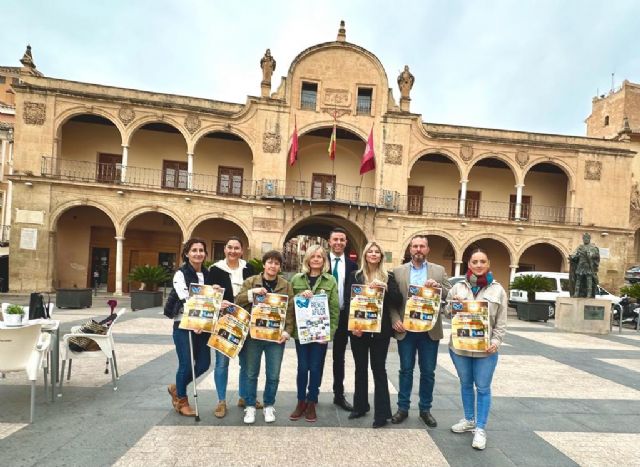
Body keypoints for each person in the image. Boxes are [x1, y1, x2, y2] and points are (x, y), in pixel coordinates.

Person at [446, 248, 507, 450]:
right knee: (465, 384)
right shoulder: (458, 288)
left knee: (482, 388)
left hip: (485, 350)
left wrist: (496, 342)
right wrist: (453, 305)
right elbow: (447, 313)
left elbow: (501, 322)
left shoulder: (498, 290)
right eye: (475, 261)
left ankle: (480, 428)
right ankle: (469, 419)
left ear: (488, 264)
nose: (478, 265)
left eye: (482, 261)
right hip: (460, 348)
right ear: (469, 264)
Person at [389, 234, 451, 427]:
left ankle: (425, 409)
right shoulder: (398, 271)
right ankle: (403, 408)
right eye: (415, 246)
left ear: (427, 249)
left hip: (429, 331)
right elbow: (391, 300)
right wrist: (395, 319)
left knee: (428, 372)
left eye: (422, 246)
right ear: (410, 249)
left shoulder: (439, 271)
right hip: (406, 330)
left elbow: (451, 294)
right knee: (405, 370)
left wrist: (438, 287)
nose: (418, 249)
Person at [345, 241, 402, 428]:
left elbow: (398, 300)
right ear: (365, 255)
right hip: (359, 331)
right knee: (360, 368)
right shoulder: (355, 275)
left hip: (380, 332)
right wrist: (352, 326)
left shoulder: (388, 276)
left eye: (377, 252)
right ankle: (360, 406)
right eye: (371, 251)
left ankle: (382, 413)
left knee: (379, 369)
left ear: (381, 256)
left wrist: (385, 288)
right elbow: (348, 301)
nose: (374, 254)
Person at [235, 250, 295, 424]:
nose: (273, 266)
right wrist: (251, 293)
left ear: (279, 267)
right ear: (264, 264)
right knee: (251, 373)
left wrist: (287, 331)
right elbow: (237, 300)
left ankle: (269, 405)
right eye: (270, 262)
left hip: (275, 337)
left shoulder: (286, 285)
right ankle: (250, 406)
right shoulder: (251, 281)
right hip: (253, 336)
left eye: (276, 263)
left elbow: (290, 311)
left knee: (273, 374)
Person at [289, 244, 340, 422]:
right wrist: (299, 297)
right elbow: (289, 306)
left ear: (324, 261)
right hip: (301, 333)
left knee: (316, 368)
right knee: (303, 367)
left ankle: (312, 402)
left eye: (320, 256)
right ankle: (300, 401)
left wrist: (329, 334)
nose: (316, 259)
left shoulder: (330, 281)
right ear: (308, 260)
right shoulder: (296, 279)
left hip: (320, 333)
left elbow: (334, 310)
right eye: (313, 256)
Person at [208, 236, 255, 418]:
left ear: (242, 251)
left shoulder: (249, 268)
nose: (233, 251)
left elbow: (253, 292)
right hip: (223, 322)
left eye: (237, 248)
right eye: (230, 247)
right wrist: (216, 297)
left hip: (245, 321)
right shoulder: (215, 270)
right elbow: (209, 297)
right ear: (225, 249)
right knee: (221, 364)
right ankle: (221, 401)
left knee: (246, 363)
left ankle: (244, 397)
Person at [167, 238, 212, 417]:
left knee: (203, 364)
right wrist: (196, 322)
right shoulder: (180, 274)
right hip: (184, 324)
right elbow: (186, 299)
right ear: (186, 253)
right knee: (186, 364)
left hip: (203, 325)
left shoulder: (207, 274)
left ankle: (176, 388)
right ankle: (182, 400)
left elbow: (210, 300)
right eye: (194, 250)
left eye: (201, 250)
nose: (198, 253)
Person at [327, 227, 358, 412]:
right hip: (324, 316)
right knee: (317, 357)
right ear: (329, 242)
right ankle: (310, 396)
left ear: (346, 243)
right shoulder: (320, 261)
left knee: (340, 357)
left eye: (342, 239)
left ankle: (339, 395)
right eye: (335, 239)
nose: (338, 242)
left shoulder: (353, 265)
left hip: (346, 316)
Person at [569, 232, 600, 298]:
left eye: (587, 238)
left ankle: (589, 294)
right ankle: (576, 293)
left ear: (589, 239)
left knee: (589, 280)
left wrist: (590, 255)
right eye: (584, 238)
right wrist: (573, 257)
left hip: (588, 265)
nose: (585, 239)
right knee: (578, 280)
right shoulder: (580, 247)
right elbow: (575, 254)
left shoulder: (593, 247)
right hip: (580, 265)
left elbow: (596, 255)